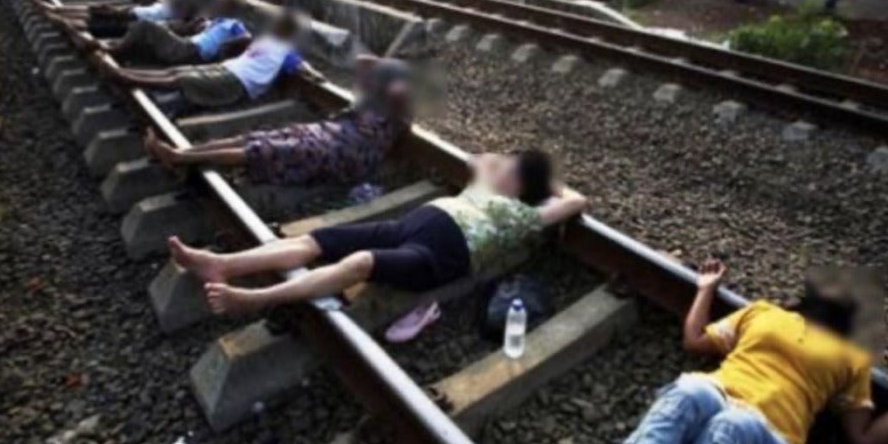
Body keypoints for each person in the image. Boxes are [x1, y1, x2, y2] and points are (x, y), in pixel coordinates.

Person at [608, 259, 888, 444]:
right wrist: (705, 289)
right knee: (689, 390)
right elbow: (695, 340)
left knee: (735, 426)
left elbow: (864, 440)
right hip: (719, 393)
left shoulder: (853, 358)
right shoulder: (763, 312)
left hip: (773, 436)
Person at [167, 150, 588, 314]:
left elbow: (575, 201)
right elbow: (480, 158)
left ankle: (254, 300)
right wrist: (503, 163)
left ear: (522, 186)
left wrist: (545, 182)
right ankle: (222, 264)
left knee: (360, 262)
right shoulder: (483, 183)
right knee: (315, 240)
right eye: (508, 164)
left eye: (513, 170)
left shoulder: (523, 216)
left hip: (436, 259)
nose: (503, 168)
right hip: (404, 228)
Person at [141, 55, 411, 187]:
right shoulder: (372, 99)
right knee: (249, 138)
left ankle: (178, 157)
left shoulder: (398, 112)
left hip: (341, 153)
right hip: (322, 133)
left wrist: (396, 77)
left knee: (260, 150)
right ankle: (184, 152)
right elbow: (362, 61)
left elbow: (399, 94)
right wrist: (386, 68)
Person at [89, 10, 315, 109]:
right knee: (178, 72)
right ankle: (124, 73)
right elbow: (239, 44)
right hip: (228, 69)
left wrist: (312, 73)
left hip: (237, 83)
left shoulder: (288, 52)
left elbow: (304, 70)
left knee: (183, 79)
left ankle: (125, 77)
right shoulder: (267, 39)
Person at [66, 0, 251, 66]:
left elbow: (246, 37)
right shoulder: (218, 21)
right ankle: (110, 46)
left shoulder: (234, 24)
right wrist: (200, 26)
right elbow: (198, 28)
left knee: (146, 26)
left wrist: (229, 45)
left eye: (221, 3)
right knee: (144, 34)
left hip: (190, 51)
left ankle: (113, 49)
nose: (216, 5)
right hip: (187, 46)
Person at [31, 0, 203, 38]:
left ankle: (57, 17)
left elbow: (178, 22)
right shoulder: (178, 6)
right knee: (96, 13)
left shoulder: (183, 14)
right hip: (135, 13)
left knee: (98, 20)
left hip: (138, 20)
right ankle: (56, 11)